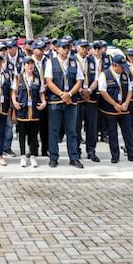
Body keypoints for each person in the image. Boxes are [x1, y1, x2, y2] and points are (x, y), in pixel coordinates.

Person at [43, 38, 82, 168]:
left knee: (72, 131)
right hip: (56, 100)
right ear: (57, 49)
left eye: (68, 47)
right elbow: (49, 82)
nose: (66, 50)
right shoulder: (51, 62)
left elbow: (79, 81)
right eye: (64, 47)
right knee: (53, 131)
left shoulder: (74, 62)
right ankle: (53, 157)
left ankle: (74, 157)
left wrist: (69, 94)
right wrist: (61, 94)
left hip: (71, 101)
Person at [99, 53, 133, 164]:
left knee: (128, 133)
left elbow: (130, 89)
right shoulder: (104, 75)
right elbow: (103, 91)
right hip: (110, 110)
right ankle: (115, 155)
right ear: (114, 65)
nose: (123, 69)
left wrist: (126, 102)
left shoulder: (125, 74)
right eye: (121, 67)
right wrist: (114, 104)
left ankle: (132, 154)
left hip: (124, 109)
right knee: (112, 134)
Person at [13, 57, 45, 167]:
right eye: (28, 64)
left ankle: (33, 156)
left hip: (34, 111)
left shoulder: (37, 78)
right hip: (23, 110)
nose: (30, 66)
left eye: (32, 64)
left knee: (33, 135)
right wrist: (14, 101)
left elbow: (41, 92)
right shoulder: (18, 78)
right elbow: (14, 91)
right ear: (24, 66)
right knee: (22, 135)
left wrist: (44, 102)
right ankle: (22, 156)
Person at [75, 40, 101, 163]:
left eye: (87, 47)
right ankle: (76, 150)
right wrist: (80, 90)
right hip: (77, 98)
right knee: (76, 126)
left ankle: (91, 151)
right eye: (83, 47)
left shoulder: (92, 60)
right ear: (77, 47)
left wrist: (89, 90)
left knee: (92, 126)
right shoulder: (72, 60)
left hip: (90, 97)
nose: (85, 49)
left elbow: (97, 79)